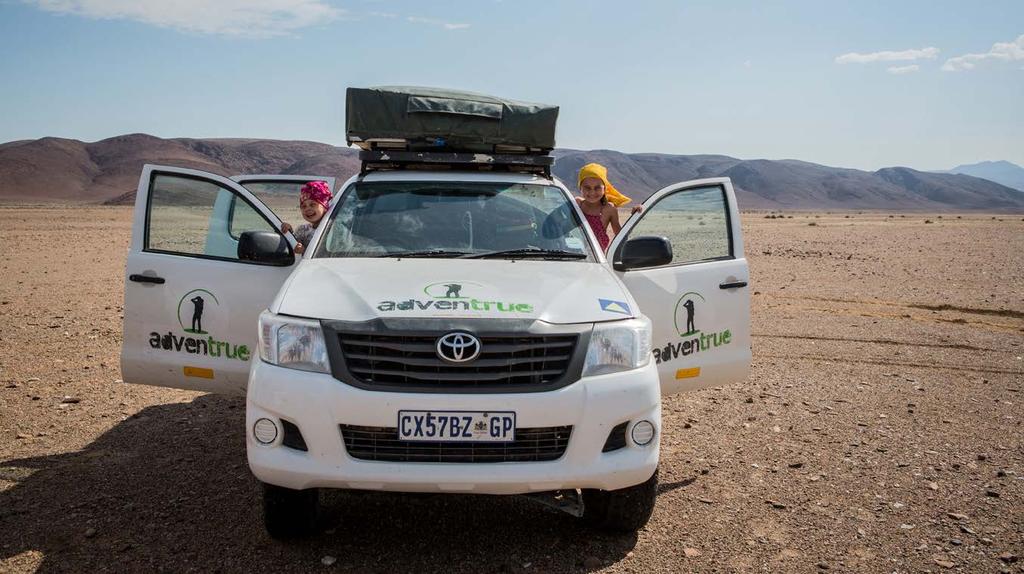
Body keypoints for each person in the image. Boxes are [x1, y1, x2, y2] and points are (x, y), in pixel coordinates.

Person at [575, 163, 641, 251]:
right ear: (580, 188)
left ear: (605, 188)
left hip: (597, 259)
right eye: (587, 188)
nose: (592, 192)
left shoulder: (609, 209)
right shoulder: (577, 204)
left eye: (597, 188)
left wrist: (634, 215)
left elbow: (620, 235)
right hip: (574, 255)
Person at [280, 181, 332, 254]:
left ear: (325, 206)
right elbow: (292, 247)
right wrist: (288, 232)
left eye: (312, 205)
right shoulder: (302, 230)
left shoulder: (333, 230)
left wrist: (305, 251)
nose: (307, 209)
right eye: (303, 206)